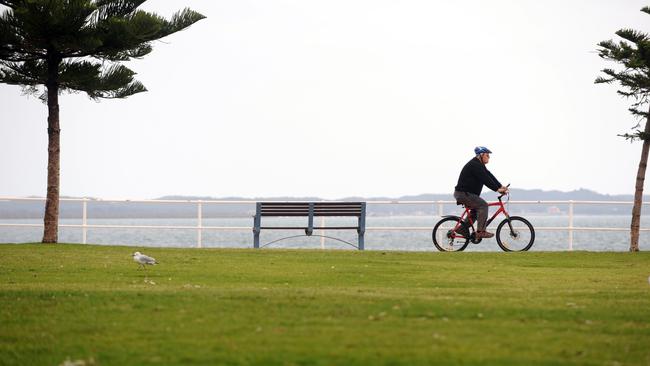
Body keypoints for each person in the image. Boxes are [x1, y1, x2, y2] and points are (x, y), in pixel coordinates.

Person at [454, 146, 508, 239]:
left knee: (475, 212)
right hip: (463, 194)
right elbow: (485, 179)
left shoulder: (479, 165)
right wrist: (497, 189)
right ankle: (481, 232)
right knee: (483, 205)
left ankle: (462, 229)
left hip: (465, 194)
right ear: (481, 155)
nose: (489, 157)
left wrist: (500, 186)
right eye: (487, 155)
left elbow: (489, 175)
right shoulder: (475, 165)